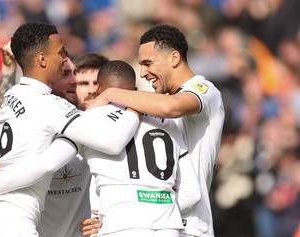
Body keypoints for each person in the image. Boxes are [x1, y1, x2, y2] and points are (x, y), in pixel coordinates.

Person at [0, 60, 201, 237]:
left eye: (92, 84)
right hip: (169, 225)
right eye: (81, 83)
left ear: (100, 89)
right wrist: (154, 206)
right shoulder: (167, 123)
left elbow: (44, 163)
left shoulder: (86, 125)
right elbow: (192, 193)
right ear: (133, 90)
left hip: (119, 225)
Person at [0, 22, 139, 237]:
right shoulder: (51, 106)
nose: (64, 59)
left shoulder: (14, 96)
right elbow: (111, 142)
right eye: (59, 53)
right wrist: (136, 107)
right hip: (14, 222)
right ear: (41, 59)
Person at [88, 25, 225, 237]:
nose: (143, 73)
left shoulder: (204, 90)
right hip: (154, 225)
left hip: (192, 227)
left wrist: (111, 93)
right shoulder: (151, 103)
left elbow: (171, 108)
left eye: (148, 63)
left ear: (174, 58)